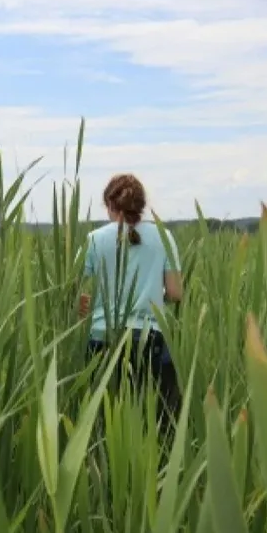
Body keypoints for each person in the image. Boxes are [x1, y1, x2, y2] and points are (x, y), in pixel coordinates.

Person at [77, 173, 184, 437]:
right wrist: (152, 294)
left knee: (104, 424)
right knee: (155, 424)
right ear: (141, 205)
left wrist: (86, 305)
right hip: (150, 340)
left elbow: (74, 293)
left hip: (102, 340)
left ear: (109, 205)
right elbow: (175, 293)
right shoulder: (164, 236)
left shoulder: (93, 239)